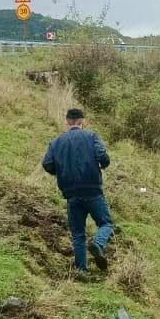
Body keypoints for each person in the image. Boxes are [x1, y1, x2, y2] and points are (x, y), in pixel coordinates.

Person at [42, 107, 113, 272]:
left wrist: (61, 171)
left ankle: (82, 270)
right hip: (92, 190)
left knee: (78, 233)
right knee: (106, 223)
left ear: (67, 122)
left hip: (71, 194)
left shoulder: (56, 142)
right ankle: (98, 244)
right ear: (82, 121)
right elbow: (103, 157)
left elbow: (47, 164)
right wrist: (103, 164)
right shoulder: (91, 136)